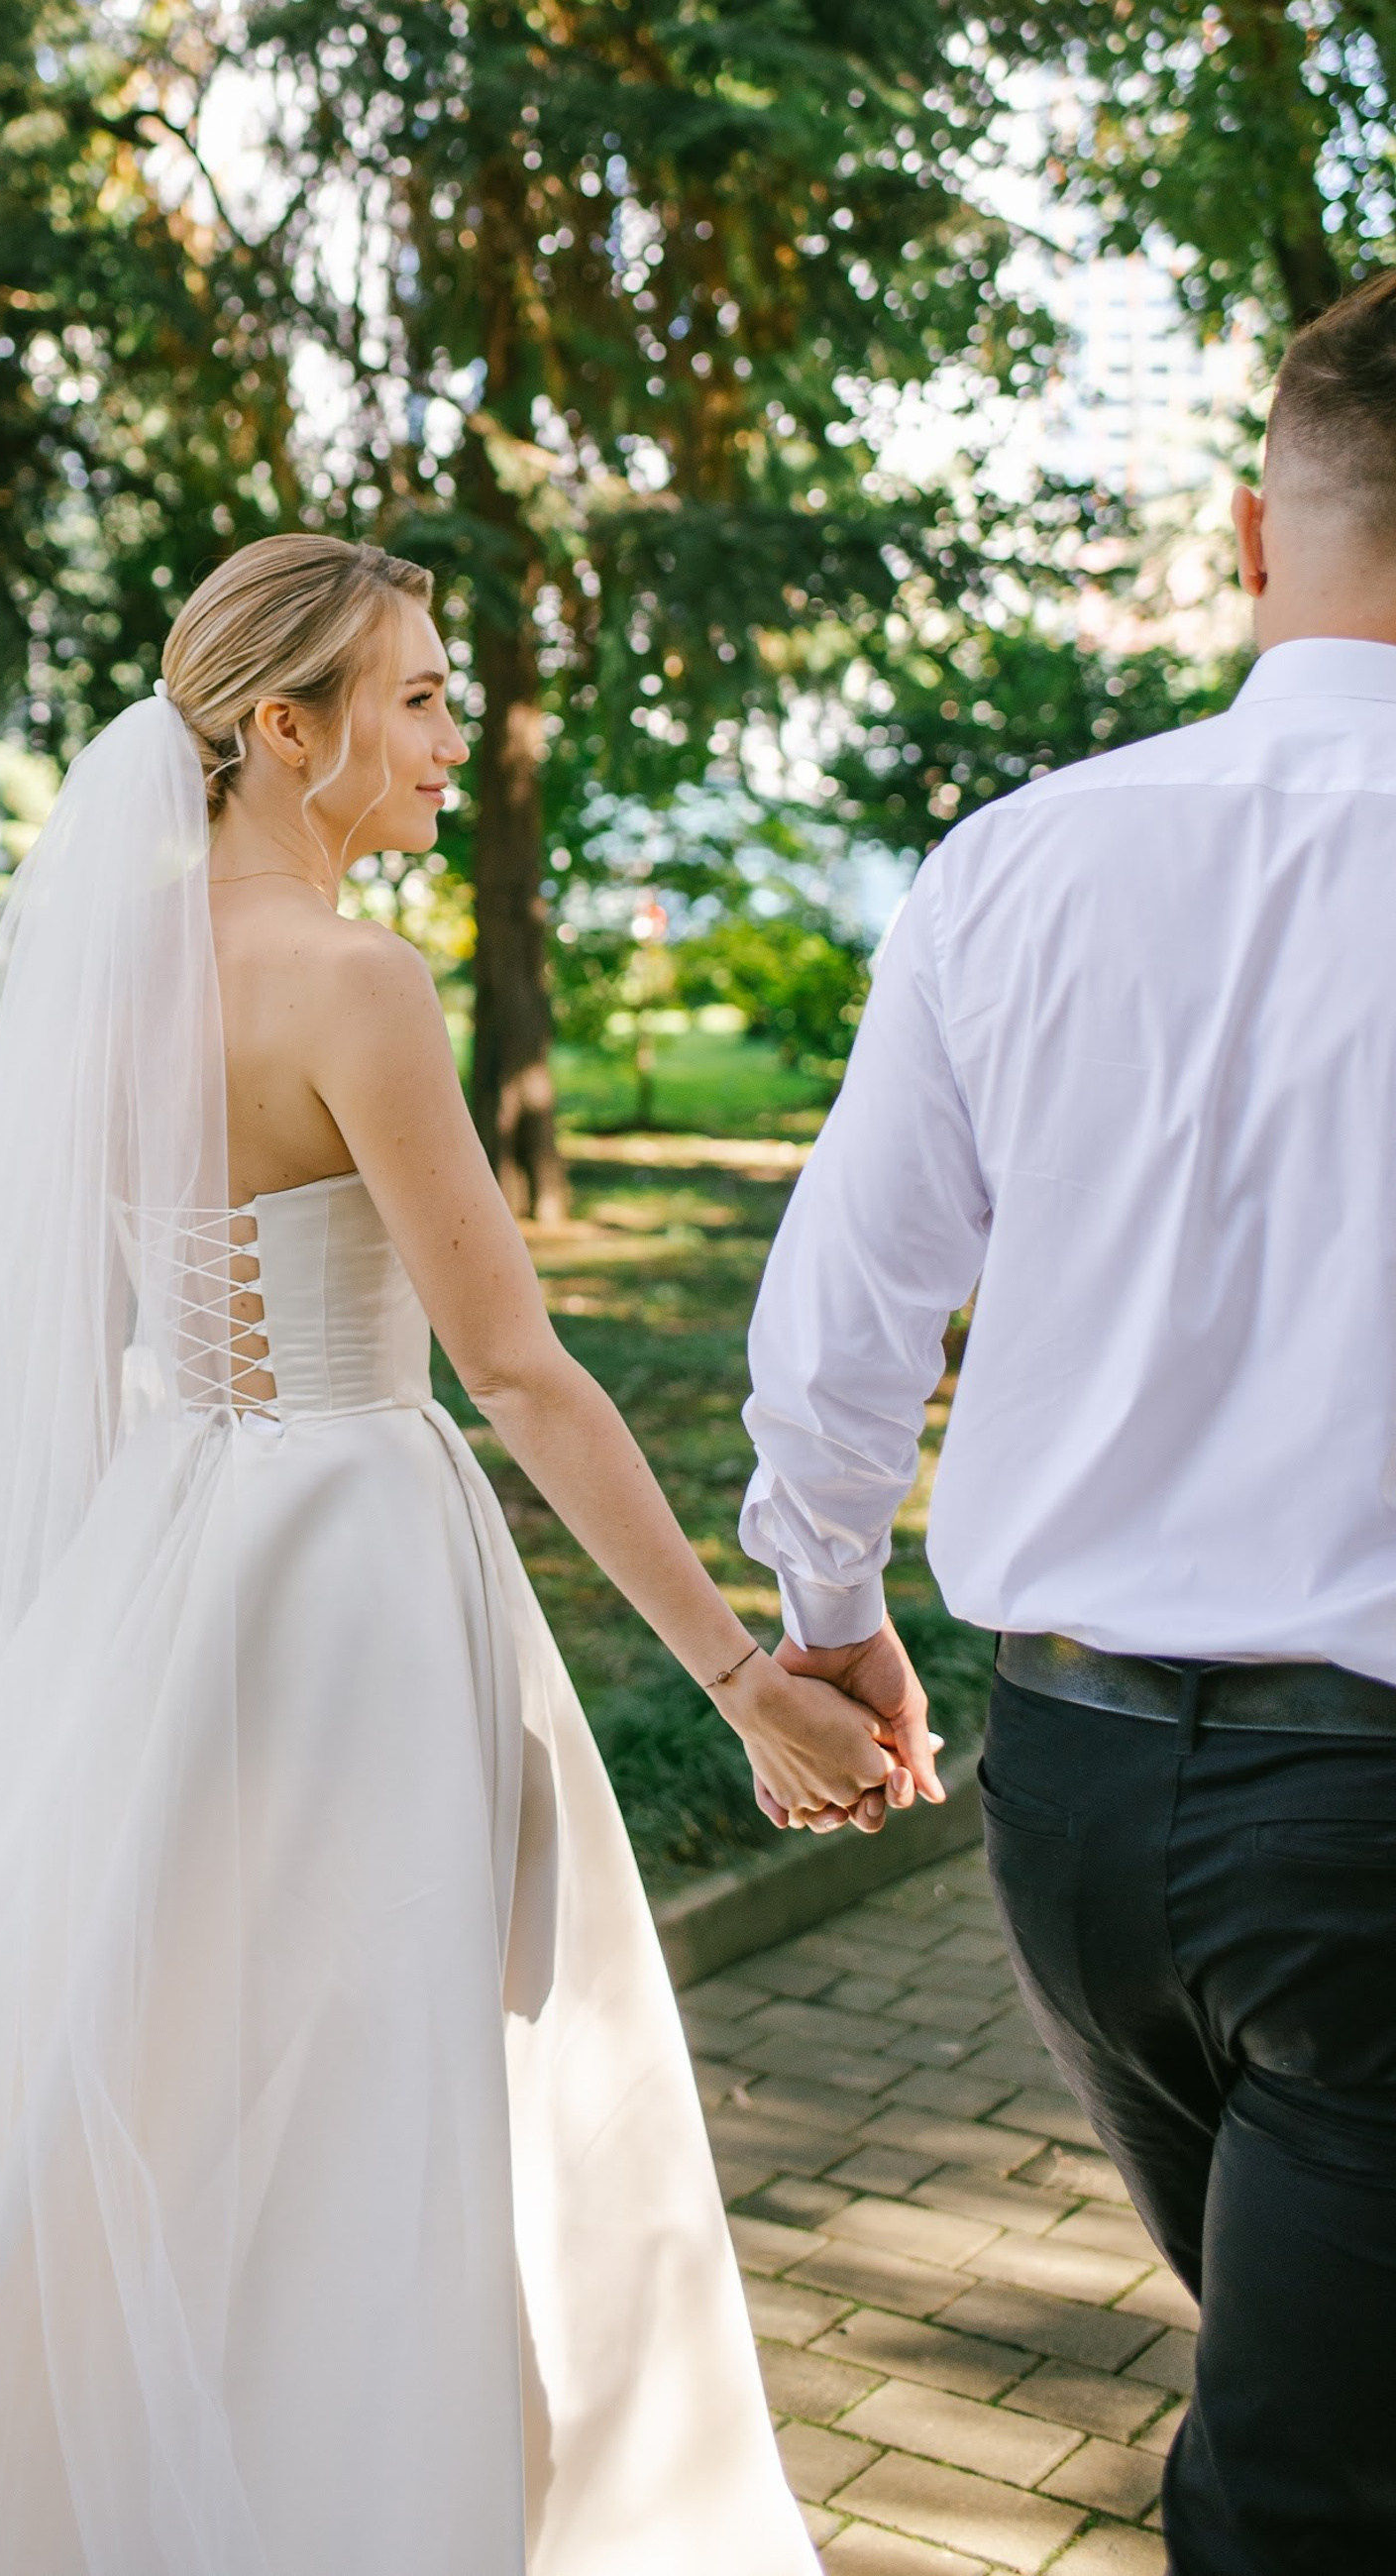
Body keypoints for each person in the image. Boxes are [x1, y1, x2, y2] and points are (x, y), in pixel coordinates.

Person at [0, 534, 912, 2574]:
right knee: (369, 2072)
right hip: (345, 1561)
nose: (453, 738)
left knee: (144, 2050)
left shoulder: (108, 978)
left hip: (170, 1548)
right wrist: (738, 1676)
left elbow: (73, 1363)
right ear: (285, 726)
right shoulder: (354, 985)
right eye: (416, 700)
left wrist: (75, 1648)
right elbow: (513, 1369)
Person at [739, 268, 1396, 2575]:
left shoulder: (1021, 858)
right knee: (1305, 2486)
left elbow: (842, 1319)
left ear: (1249, 533)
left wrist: (824, 1613)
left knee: (1312, 2396)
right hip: (1372, 1832)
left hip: (1076, 1806)